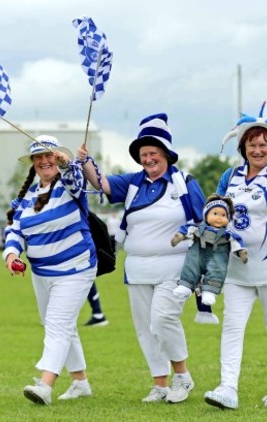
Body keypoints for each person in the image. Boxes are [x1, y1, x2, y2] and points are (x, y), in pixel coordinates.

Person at [77, 113, 206, 404]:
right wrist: (85, 161)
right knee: (146, 329)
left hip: (175, 267)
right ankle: (160, 384)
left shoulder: (184, 182)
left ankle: (182, 376)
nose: (148, 159)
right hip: (136, 268)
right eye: (143, 154)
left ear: (166, 155)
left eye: (153, 153)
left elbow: (203, 221)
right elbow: (102, 184)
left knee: (162, 319)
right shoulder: (133, 182)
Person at [203, 102, 267, 410]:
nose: (257, 149)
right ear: (242, 147)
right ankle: (227, 387)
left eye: (264, 144)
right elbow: (216, 212)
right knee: (232, 327)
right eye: (252, 144)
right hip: (237, 268)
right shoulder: (229, 176)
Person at [3, 135, 97, 406]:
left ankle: (45, 385)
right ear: (33, 164)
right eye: (38, 157)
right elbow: (15, 231)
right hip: (41, 273)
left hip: (75, 269)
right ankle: (80, 382)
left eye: (49, 156)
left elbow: (76, 181)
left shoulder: (70, 185)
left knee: (57, 326)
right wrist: (11, 254)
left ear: (57, 158)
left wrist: (68, 165)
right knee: (60, 326)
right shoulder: (27, 197)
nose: (44, 161)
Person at [171, 194, 248, 306]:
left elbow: (237, 242)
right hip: (198, 253)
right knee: (191, 265)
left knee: (216, 271)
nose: (219, 218)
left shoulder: (227, 234)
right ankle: (185, 286)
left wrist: (241, 252)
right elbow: (187, 229)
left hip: (217, 256)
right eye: (215, 213)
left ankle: (210, 291)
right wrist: (179, 236)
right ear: (206, 215)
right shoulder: (198, 228)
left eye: (223, 215)